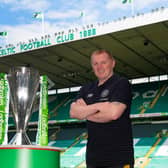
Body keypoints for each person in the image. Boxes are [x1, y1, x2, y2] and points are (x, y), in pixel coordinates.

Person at [70, 49, 134, 168]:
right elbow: (73, 112)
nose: (99, 67)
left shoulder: (121, 83)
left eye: (103, 62)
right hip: (93, 159)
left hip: (119, 159)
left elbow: (113, 114)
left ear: (113, 63)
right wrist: (100, 107)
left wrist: (85, 111)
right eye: (95, 63)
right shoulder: (86, 88)